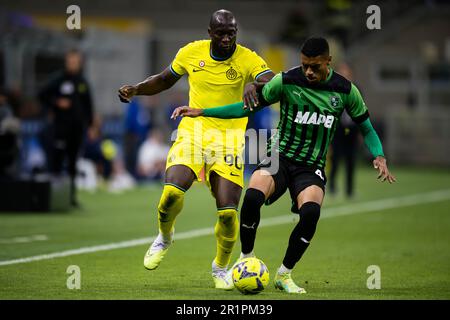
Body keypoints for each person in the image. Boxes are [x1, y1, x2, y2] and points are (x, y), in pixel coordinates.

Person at [171, 36, 396, 294]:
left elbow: (366, 128)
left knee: (311, 213)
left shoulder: (345, 90)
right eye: (304, 65)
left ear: (328, 62)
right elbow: (246, 108)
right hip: (279, 156)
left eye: (315, 66)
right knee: (253, 195)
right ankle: (246, 259)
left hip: (311, 165)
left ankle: (284, 274)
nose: (308, 71)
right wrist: (204, 111)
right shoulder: (286, 80)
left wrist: (378, 155)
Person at [117, 9, 274, 289]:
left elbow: (272, 80)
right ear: (210, 33)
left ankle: (220, 268)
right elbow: (165, 80)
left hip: (229, 141)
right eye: (222, 33)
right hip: (194, 131)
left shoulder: (248, 57)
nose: (228, 38)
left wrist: (255, 83)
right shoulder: (191, 52)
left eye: (232, 33)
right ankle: (165, 236)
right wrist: (137, 89)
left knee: (227, 213)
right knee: (171, 194)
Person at [39, 49, 94, 207]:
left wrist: (89, 125)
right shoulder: (58, 79)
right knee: (56, 163)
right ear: (66, 61)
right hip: (60, 129)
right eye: (71, 61)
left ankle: (70, 198)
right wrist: (56, 103)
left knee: (72, 164)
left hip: (77, 130)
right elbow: (42, 95)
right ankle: (53, 198)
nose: (73, 64)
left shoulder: (82, 82)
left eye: (76, 61)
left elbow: (88, 105)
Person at [328, 62, 359, 198]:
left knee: (351, 161)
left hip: (352, 131)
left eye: (347, 73)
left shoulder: (356, 91)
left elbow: (361, 113)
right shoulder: (333, 90)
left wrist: (361, 132)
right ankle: (332, 188)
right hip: (338, 130)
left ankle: (350, 190)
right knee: (335, 160)